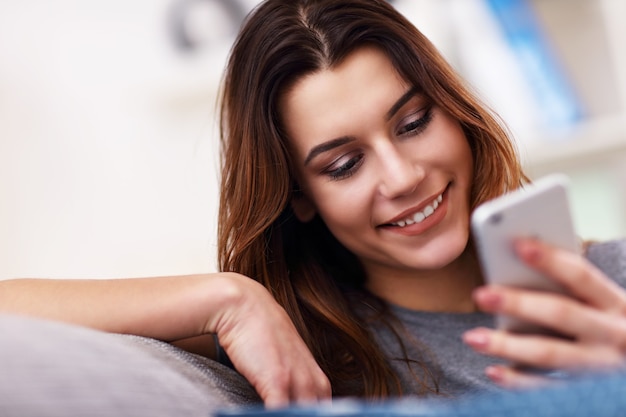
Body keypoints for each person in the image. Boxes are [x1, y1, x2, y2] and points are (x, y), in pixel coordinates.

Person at [1, 0, 625, 411]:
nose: (404, 176)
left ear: (455, 113)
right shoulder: (303, 343)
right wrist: (228, 298)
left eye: (412, 123)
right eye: (344, 164)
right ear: (299, 196)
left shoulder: (614, 282)